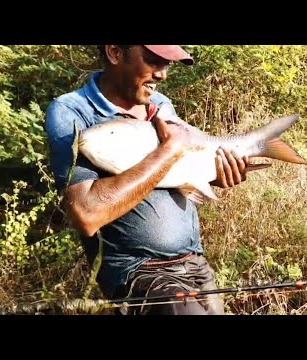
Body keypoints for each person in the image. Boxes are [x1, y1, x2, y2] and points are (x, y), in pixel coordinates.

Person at [45, 45, 249, 315]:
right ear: (115, 52)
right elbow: (86, 214)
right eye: (153, 61)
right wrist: (169, 151)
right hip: (137, 273)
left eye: (167, 64)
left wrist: (211, 175)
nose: (162, 74)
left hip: (195, 263)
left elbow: (173, 174)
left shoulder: (160, 104)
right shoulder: (73, 111)